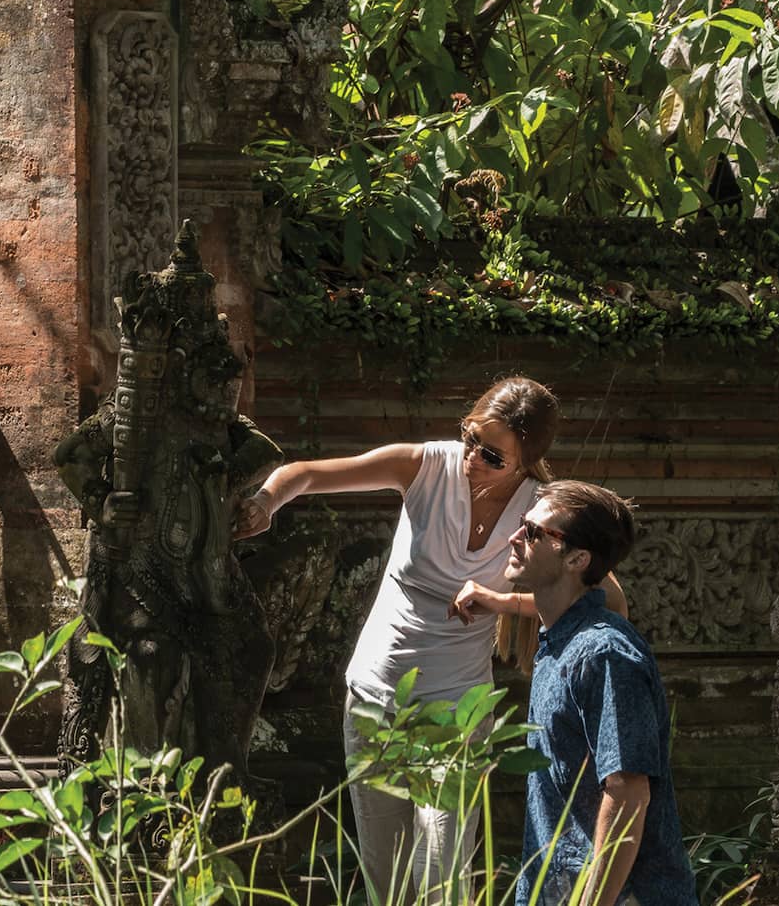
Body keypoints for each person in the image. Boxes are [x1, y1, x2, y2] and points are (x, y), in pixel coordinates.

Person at [235, 377, 622, 901]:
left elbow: (607, 601)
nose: (472, 458)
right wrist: (265, 502)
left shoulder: (539, 513)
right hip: (375, 699)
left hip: (457, 713)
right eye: (470, 436)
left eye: (492, 455)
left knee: (443, 880)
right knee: (387, 881)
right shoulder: (427, 465)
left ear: (526, 463)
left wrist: (500, 601)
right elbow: (304, 474)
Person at [503, 480, 697, 906]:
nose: (515, 537)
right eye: (521, 523)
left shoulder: (604, 654)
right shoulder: (559, 644)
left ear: (578, 559)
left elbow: (628, 793)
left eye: (533, 532)